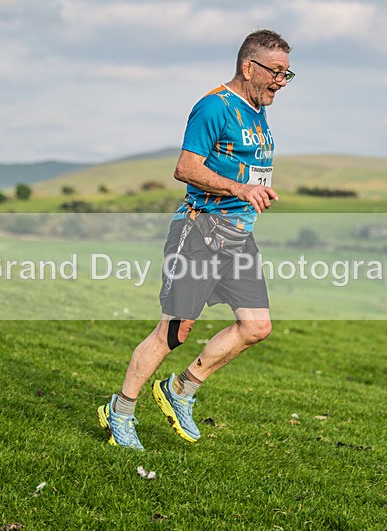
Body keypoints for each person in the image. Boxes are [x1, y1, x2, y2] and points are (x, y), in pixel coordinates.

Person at [97, 29, 294, 450]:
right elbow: (186, 168)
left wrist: (253, 190)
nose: (281, 81)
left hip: (238, 237)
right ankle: (121, 411)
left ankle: (181, 389)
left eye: (286, 74)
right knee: (174, 331)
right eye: (276, 72)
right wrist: (240, 188)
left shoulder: (257, 111)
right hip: (200, 231)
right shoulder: (214, 107)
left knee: (256, 326)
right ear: (249, 67)